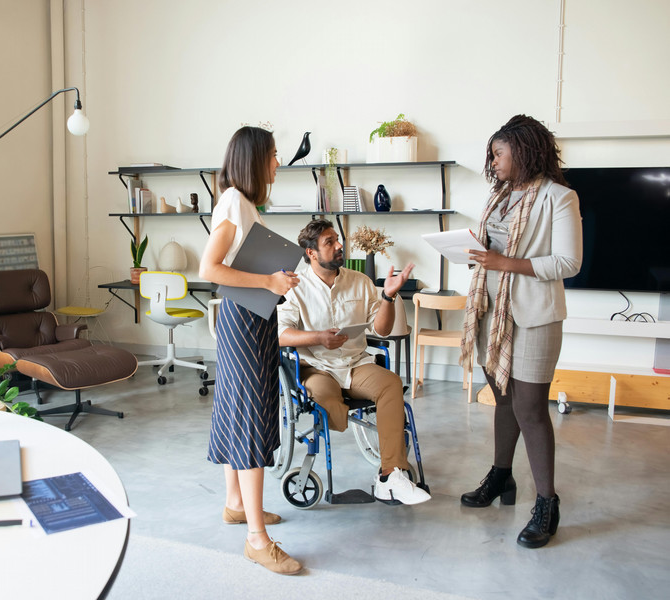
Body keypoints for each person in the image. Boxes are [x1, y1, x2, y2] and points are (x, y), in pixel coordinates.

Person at [459, 114, 582, 549]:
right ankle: (501, 477)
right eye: (492, 155)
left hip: (534, 316)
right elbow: (493, 251)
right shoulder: (500, 196)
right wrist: (474, 251)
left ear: (523, 150)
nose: (493, 162)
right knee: (504, 399)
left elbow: (569, 263)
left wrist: (505, 263)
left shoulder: (559, 198)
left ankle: (547, 503)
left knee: (530, 409)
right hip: (492, 311)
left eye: (498, 153)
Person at [199, 126, 302, 575]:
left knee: (240, 410)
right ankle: (257, 540)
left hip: (252, 317)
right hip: (244, 319)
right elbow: (209, 268)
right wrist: (268, 281)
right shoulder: (233, 203)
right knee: (250, 417)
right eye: (274, 156)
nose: (278, 163)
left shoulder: (245, 205)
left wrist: (274, 279)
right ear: (255, 159)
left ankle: (236, 504)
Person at [277, 219, 431, 506]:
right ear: (311, 253)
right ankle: (369, 426)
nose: (339, 246)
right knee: (325, 396)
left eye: (338, 240)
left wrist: (388, 296)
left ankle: (390, 476)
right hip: (317, 367)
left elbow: (382, 330)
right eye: (329, 242)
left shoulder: (360, 282)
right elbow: (281, 334)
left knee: (391, 384)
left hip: (355, 363)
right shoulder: (296, 287)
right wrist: (318, 337)